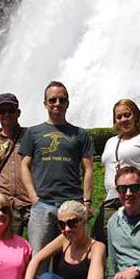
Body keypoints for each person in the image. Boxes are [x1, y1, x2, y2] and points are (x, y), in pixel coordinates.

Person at [19, 81, 94, 262]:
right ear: (45, 103)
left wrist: (86, 202)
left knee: (75, 256)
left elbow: (89, 169)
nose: (57, 104)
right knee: (39, 257)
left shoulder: (80, 134)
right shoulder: (33, 133)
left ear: (68, 103)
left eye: (62, 100)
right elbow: (24, 166)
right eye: (52, 100)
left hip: (72, 203)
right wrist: (33, 198)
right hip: (42, 204)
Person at [93, 98, 140, 246]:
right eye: (119, 117)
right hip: (112, 199)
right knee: (104, 242)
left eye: (127, 115)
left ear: (135, 115)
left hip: (139, 198)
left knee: (138, 242)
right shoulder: (111, 142)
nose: (123, 119)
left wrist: (134, 181)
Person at [0, 93, 31, 235]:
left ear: (18, 113)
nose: (7, 114)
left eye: (11, 110)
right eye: (3, 111)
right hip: (6, 204)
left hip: (31, 202)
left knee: (39, 246)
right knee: (10, 247)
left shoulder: (31, 136)